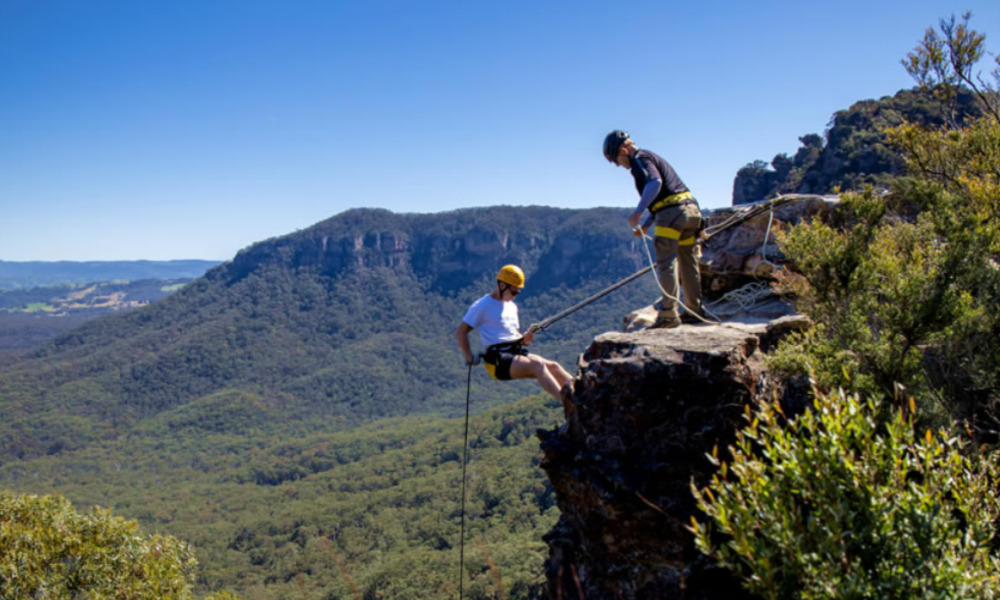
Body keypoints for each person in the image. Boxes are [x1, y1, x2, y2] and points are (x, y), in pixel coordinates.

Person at [603, 129, 704, 328]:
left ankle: (668, 315)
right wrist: (647, 225)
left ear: (623, 149)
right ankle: (695, 311)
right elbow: (663, 199)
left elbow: (655, 183)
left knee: (667, 263)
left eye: (616, 159)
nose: (618, 164)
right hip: (691, 212)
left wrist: (638, 213)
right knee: (688, 262)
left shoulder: (640, 158)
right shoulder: (652, 156)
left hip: (672, 215)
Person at [456, 264, 573, 402]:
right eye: (513, 292)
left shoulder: (512, 307)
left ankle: (582, 394)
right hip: (497, 361)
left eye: (517, 293)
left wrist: (527, 337)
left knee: (554, 367)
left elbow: (519, 339)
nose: (514, 296)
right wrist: (469, 357)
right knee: (538, 365)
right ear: (502, 285)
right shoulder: (482, 305)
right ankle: (569, 405)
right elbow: (461, 332)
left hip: (513, 354)